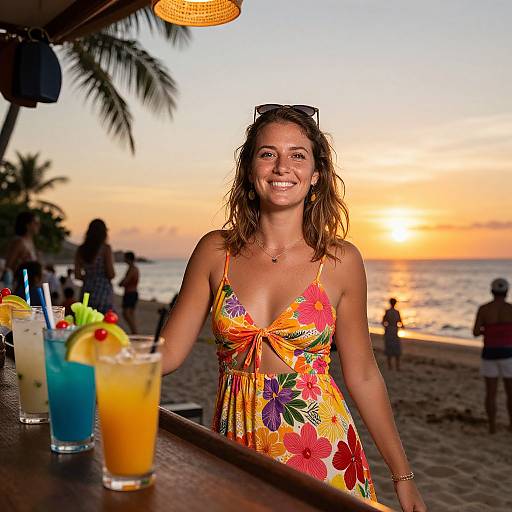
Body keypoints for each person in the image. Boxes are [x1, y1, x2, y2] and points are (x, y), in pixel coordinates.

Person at [159, 105, 425, 511]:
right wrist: (90, 352)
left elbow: (364, 375)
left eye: (297, 155)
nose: (282, 166)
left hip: (320, 445)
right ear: (250, 170)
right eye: (267, 154)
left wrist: (402, 476)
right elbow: (169, 353)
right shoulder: (215, 251)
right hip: (236, 443)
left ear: (316, 175)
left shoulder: (339, 261)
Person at [473, 278, 512, 434]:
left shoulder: (484, 309)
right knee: (510, 392)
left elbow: (475, 332)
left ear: (491, 291)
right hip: (508, 353)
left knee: (491, 393)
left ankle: (492, 426)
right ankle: (511, 425)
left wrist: (488, 331)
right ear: (507, 292)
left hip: (489, 353)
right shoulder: (511, 309)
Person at [74, 219, 115, 313]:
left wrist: (89, 278)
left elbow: (77, 275)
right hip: (103, 291)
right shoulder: (105, 249)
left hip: (87, 290)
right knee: (102, 323)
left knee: (86, 321)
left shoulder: (81, 250)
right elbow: (111, 274)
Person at [4, 211, 41, 292]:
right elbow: (8, 267)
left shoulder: (31, 242)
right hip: (21, 287)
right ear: (27, 225)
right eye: (35, 223)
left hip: (31, 286)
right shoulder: (19, 242)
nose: (38, 226)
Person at [118, 251, 139, 334]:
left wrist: (121, 283)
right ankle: (134, 332)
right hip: (132, 293)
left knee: (126, 313)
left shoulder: (132, 269)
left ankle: (134, 332)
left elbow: (126, 280)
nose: (124, 260)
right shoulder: (134, 268)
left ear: (128, 258)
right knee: (131, 314)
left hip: (130, 293)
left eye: (125, 258)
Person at [382, 298, 404, 371]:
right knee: (396, 350)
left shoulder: (387, 312)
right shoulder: (397, 312)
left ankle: (390, 367)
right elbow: (401, 323)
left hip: (389, 331)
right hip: (394, 332)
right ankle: (397, 367)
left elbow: (383, 322)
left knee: (389, 350)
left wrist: (387, 327)